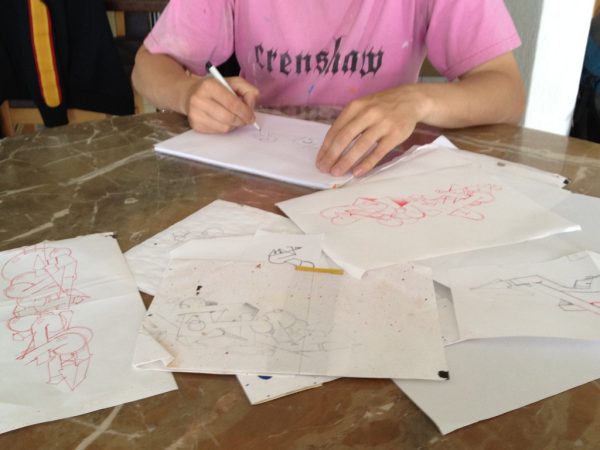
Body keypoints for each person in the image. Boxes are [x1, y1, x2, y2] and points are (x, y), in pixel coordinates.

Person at [132, 0, 525, 177]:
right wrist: (188, 93)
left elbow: (505, 91)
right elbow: (148, 66)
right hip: (262, 170)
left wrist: (417, 100)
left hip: (380, 174)